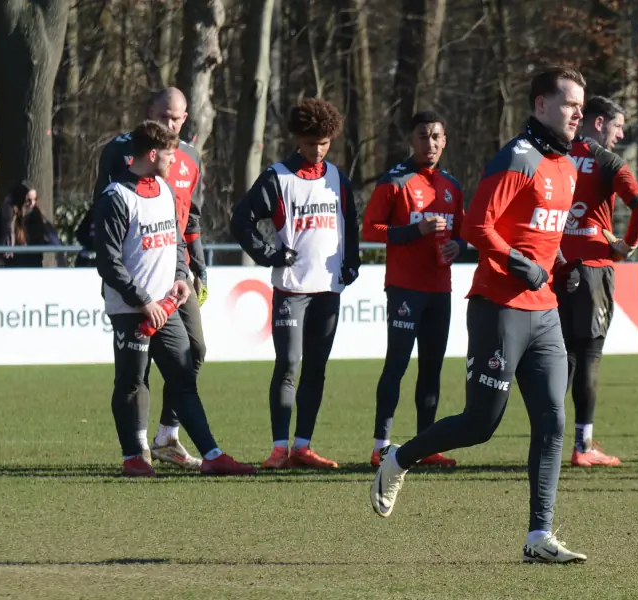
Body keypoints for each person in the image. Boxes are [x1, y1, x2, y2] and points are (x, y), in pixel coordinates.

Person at [371, 65, 588, 564]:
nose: (578, 112)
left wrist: (560, 264)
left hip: (545, 312)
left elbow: (542, 236)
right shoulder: (518, 157)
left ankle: (539, 536)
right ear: (540, 105)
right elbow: (476, 226)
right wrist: (520, 263)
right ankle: (397, 459)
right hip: (499, 308)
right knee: (480, 424)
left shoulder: (567, 166)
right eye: (569, 103)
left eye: (581, 104)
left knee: (553, 423)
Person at [95, 120, 254, 477]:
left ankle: (212, 455)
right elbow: (108, 261)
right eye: (170, 154)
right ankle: (134, 456)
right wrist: (142, 302)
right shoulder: (116, 198)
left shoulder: (165, 190)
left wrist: (182, 277)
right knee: (132, 380)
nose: (175, 160)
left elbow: (177, 241)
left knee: (183, 376)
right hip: (132, 310)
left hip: (166, 308)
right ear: (152, 154)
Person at [76, 88, 209, 470]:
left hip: (177, 274)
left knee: (194, 351)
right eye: (165, 116)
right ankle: (136, 449)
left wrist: (195, 266)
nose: (172, 124)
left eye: (178, 118)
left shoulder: (190, 158)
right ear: (150, 113)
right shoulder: (123, 155)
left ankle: (168, 434)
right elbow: (109, 218)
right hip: (139, 280)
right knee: (137, 370)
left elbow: (191, 217)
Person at [232, 98, 360, 470]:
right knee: (288, 363)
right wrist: (269, 253)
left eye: (323, 143)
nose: (316, 150)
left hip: (328, 290)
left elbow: (350, 225)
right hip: (291, 288)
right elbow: (241, 220)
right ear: (296, 139)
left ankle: (303, 447)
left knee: (316, 368)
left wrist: (351, 262)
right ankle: (278, 448)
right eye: (309, 143)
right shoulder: (277, 177)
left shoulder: (338, 178)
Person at [362, 110, 465, 468]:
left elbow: (464, 234)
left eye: (437, 136)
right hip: (406, 289)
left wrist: (459, 247)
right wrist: (413, 231)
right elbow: (370, 230)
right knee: (397, 365)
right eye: (423, 136)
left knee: (432, 368)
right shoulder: (395, 182)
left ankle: (426, 445)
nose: (431, 143)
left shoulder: (451, 186)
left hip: (440, 289)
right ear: (411, 139)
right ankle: (380, 444)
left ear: (445, 140)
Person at [558, 95, 638, 467]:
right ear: (598, 123)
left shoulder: (554, 156)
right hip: (594, 267)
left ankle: (546, 441)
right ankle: (583, 447)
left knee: (559, 358)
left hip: (554, 267)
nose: (621, 133)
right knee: (589, 356)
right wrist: (626, 245)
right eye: (617, 125)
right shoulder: (607, 161)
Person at [0, 181, 63, 268]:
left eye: (35, 199)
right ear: (20, 199)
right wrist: (3, 263)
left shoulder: (38, 218)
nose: (32, 204)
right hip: (12, 272)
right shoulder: (4, 220)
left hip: (34, 271)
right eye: (28, 200)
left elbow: (52, 242)